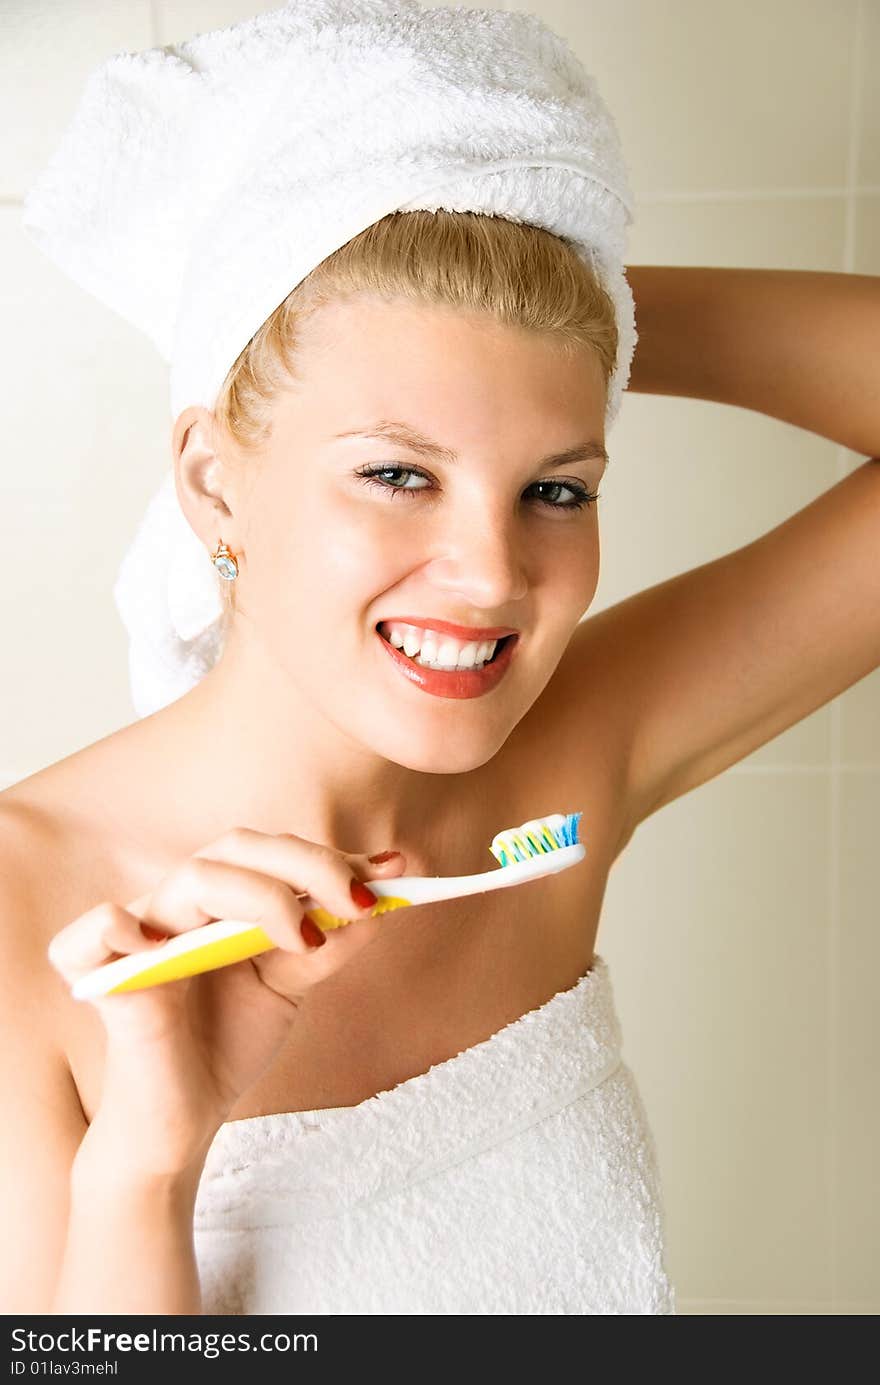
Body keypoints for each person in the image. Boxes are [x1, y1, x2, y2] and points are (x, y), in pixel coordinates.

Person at [5, 1, 879, 1319]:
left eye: (558, 488)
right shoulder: (32, 922)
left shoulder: (562, 781)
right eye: (399, 472)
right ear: (211, 479)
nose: (491, 575)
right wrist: (147, 1167)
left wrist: (580, 310)